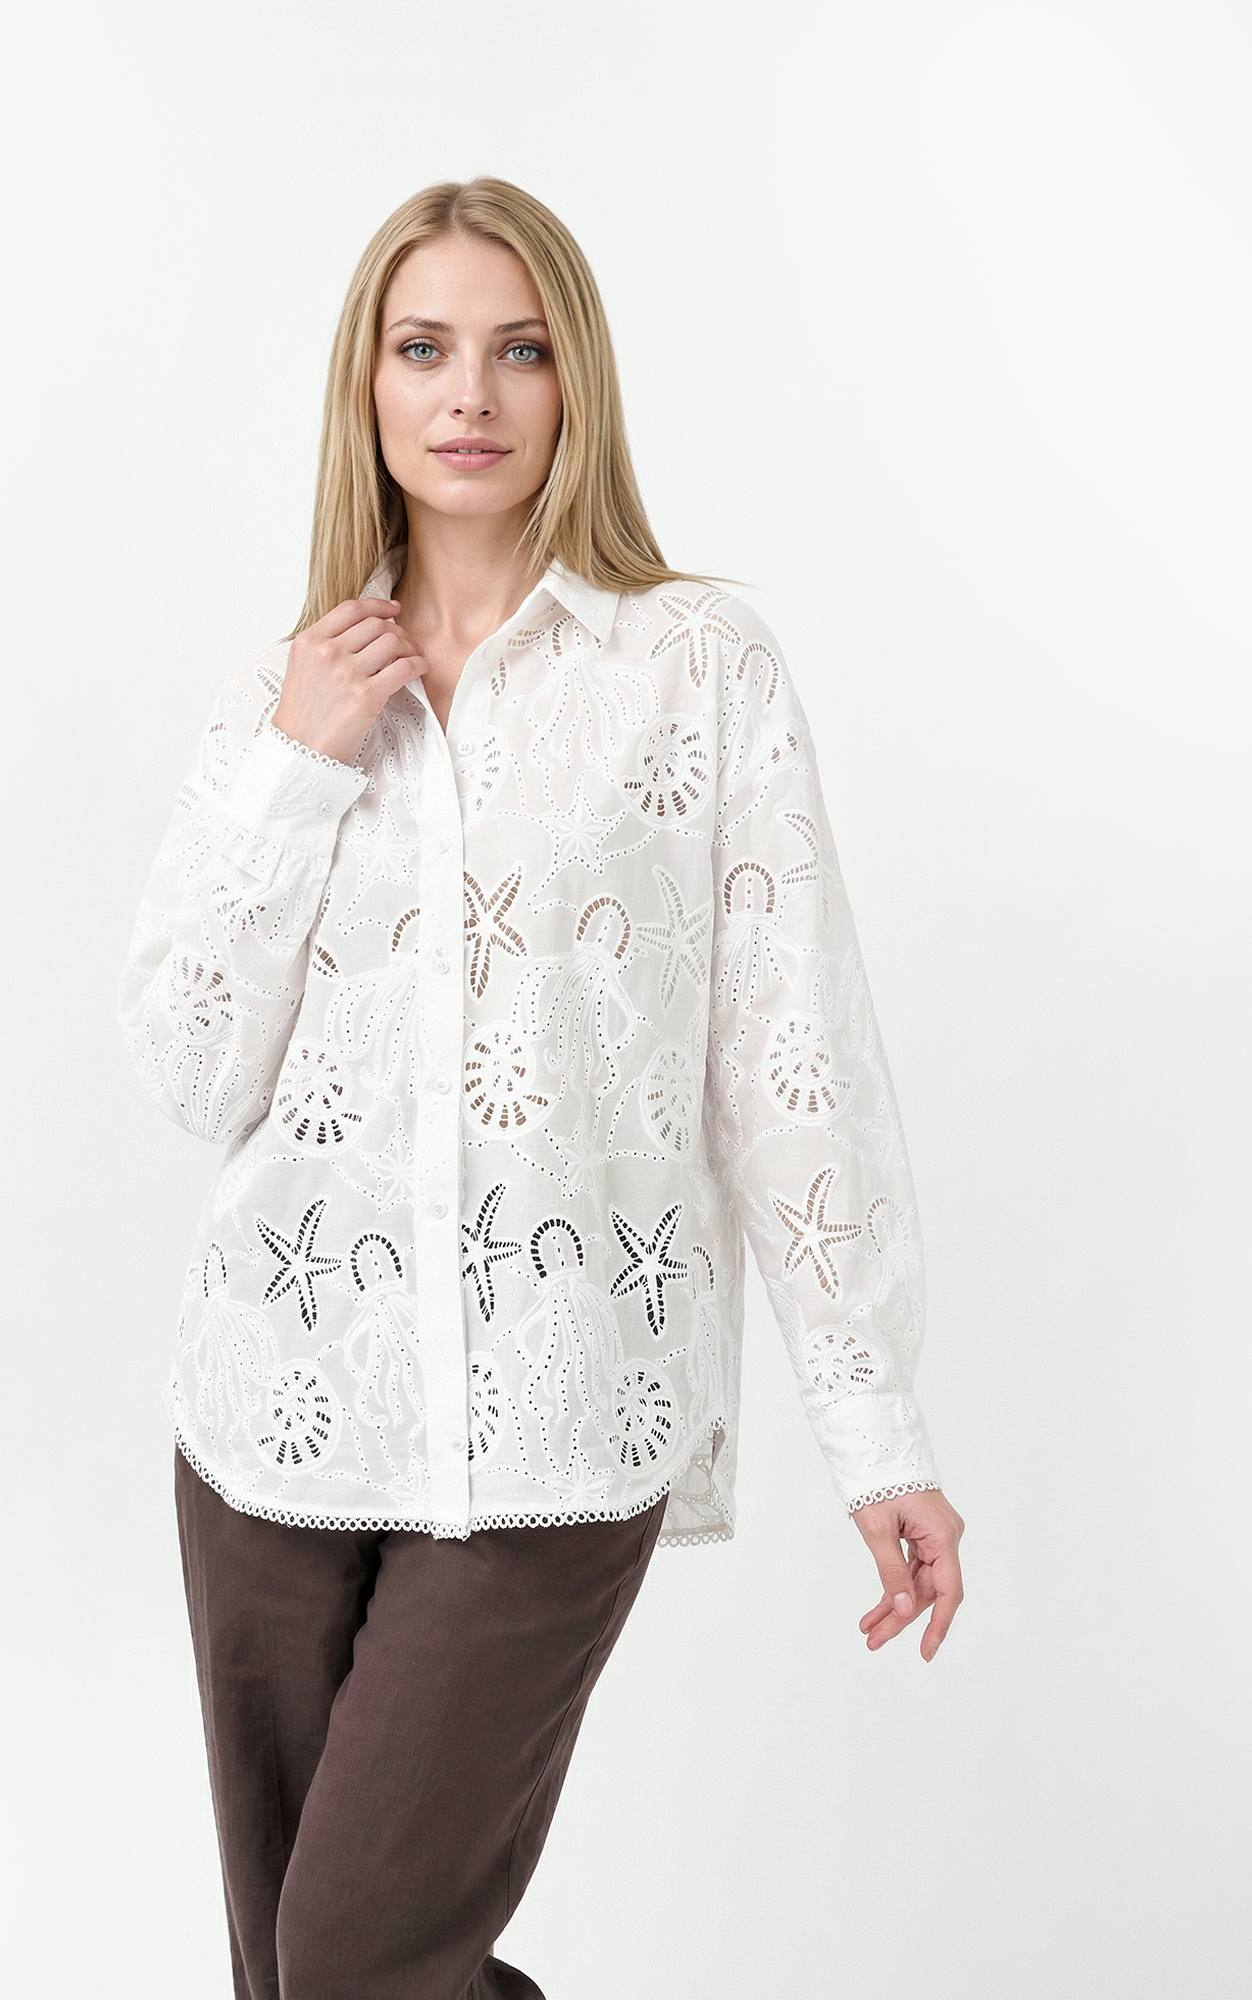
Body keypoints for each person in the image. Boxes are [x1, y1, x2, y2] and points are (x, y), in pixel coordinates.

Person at [118, 175, 965, 2000]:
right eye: (424, 349)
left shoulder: (695, 670)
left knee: (353, 1959)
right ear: (367, 386)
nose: (469, 396)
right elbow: (189, 1069)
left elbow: (790, 1059)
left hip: (562, 1413)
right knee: (295, 1975)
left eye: (518, 350)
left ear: (576, 379)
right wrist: (296, 769)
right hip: (276, 1415)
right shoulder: (283, 694)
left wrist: (874, 1428)